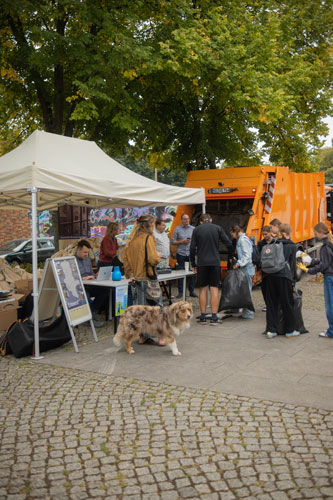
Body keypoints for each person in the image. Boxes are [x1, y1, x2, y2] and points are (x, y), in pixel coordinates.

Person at [123, 214, 164, 345]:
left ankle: (143, 336)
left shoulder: (131, 240)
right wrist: (158, 256)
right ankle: (161, 337)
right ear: (150, 225)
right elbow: (152, 259)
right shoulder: (148, 238)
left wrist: (130, 274)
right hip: (148, 278)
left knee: (141, 310)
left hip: (136, 279)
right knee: (156, 307)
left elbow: (125, 261)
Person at [190, 214, 232, 325]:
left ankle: (203, 316)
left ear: (201, 221)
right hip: (215, 262)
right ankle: (214, 317)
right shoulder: (217, 228)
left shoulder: (197, 230)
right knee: (214, 289)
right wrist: (230, 257)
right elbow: (229, 243)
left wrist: (193, 263)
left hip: (202, 263)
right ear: (211, 219)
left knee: (202, 289)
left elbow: (192, 248)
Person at [262, 223, 299, 338]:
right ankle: (289, 330)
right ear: (288, 234)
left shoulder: (273, 243)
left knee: (271, 304)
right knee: (287, 303)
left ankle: (270, 330)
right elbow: (293, 266)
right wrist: (293, 279)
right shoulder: (292, 246)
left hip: (270, 276)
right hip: (284, 277)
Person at [304, 222, 333, 338]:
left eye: (316, 234)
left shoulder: (326, 247)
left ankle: (331, 331)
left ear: (321, 233)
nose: (315, 236)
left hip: (329, 278)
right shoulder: (330, 243)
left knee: (330, 306)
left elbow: (324, 265)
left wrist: (309, 271)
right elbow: (325, 262)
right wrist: (312, 261)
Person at [75, 239, 107, 327]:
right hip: (79, 287)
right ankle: (90, 319)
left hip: (90, 284)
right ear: (78, 250)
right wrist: (86, 277)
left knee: (105, 291)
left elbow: (91, 273)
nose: (86, 254)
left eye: (87, 252)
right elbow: (73, 278)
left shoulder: (87, 259)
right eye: (85, 252)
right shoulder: (72, 261)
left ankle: (91, 312)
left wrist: (95, 275)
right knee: (87, 295)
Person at [229, 225, 255, 319]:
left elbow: (247, 256)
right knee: (246, 291)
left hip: (246, 268)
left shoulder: (242, 240)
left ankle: (248, 314)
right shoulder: (242, 239)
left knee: (247, 291)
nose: (232, 236)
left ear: (235, 231)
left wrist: (238, 263)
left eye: (231, 234)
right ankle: (246, 313)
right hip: (246, 268)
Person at [171, 214, 197, 298]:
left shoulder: (193, 229)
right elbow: (173, 241)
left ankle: (192, 291)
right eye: (185, 219)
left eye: (188, 219)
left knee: (191, 273)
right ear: (181, 220)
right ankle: (180, 292)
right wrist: (182, 241)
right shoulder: (177, 229)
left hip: (190, 254)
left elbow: (197, 240)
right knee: (180, 273)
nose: (187, 220)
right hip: (181, 254)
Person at [257, 225, 273, 313]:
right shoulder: (261, 243)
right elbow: (258, 254)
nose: (265, 236)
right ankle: (267, 304)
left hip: (273, 268)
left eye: (266, 234)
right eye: (263, 234)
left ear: (270, 232)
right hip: (265, 269)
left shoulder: (275, 242)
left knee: (273, 287)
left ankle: (273, 304)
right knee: (265, 287)